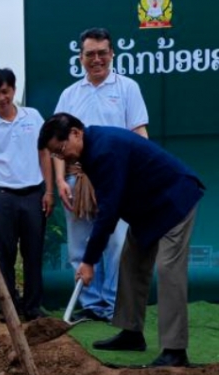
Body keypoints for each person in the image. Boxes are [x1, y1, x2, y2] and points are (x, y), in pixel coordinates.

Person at [38, 113, 204, 367]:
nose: (62, 157)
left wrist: (89, 261)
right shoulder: (91, 148)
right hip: (146, 209)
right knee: (131, 263)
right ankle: (131, 333)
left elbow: (109, 212)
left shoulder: (104, 150)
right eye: (56, 155)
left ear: (75, 133)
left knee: (168, 269)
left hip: (174, 201)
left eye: (61, 150)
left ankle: (175, 350)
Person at [53, 27, 149, 322]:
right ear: (80, 57)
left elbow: (139, 133)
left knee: (117, 243)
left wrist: (139, 175)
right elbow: (57, 144)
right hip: (77, 178)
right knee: (79, 244)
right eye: (90, 54)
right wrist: (60, 180)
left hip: (116, 179)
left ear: (112, 54)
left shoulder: (128, 88)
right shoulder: (70, 94)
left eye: (102, 53)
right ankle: (91, 303)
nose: (97, 59)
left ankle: (112, 303)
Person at [0, 68, 54, 321]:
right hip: (3, 198)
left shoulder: (33, 117)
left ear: (14, 90)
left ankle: (33, 306)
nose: (1, 98)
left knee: (33, 252)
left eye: (4, 92)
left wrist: (49, 191)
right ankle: (10, 309)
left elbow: (44, 154)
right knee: (4, 255)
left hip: (34, 194)